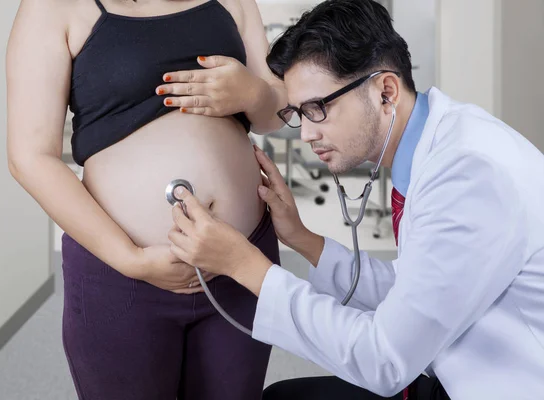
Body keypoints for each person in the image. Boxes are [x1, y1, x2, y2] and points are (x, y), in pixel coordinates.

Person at [167, 0, 544, 399]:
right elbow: (414, 291)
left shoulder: (468, 175)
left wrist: (245, 266)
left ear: (385, 91)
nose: (306, 134)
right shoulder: (437, 146)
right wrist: (302, 239)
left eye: (318, 108)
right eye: (299, 112)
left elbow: (383, 360)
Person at [6, 0, 287, 399]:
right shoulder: (53, 7)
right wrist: (131, 259)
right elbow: (29, 156)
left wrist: (253, 93)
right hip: (122, 274)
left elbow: (274, 113)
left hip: (242, 264)